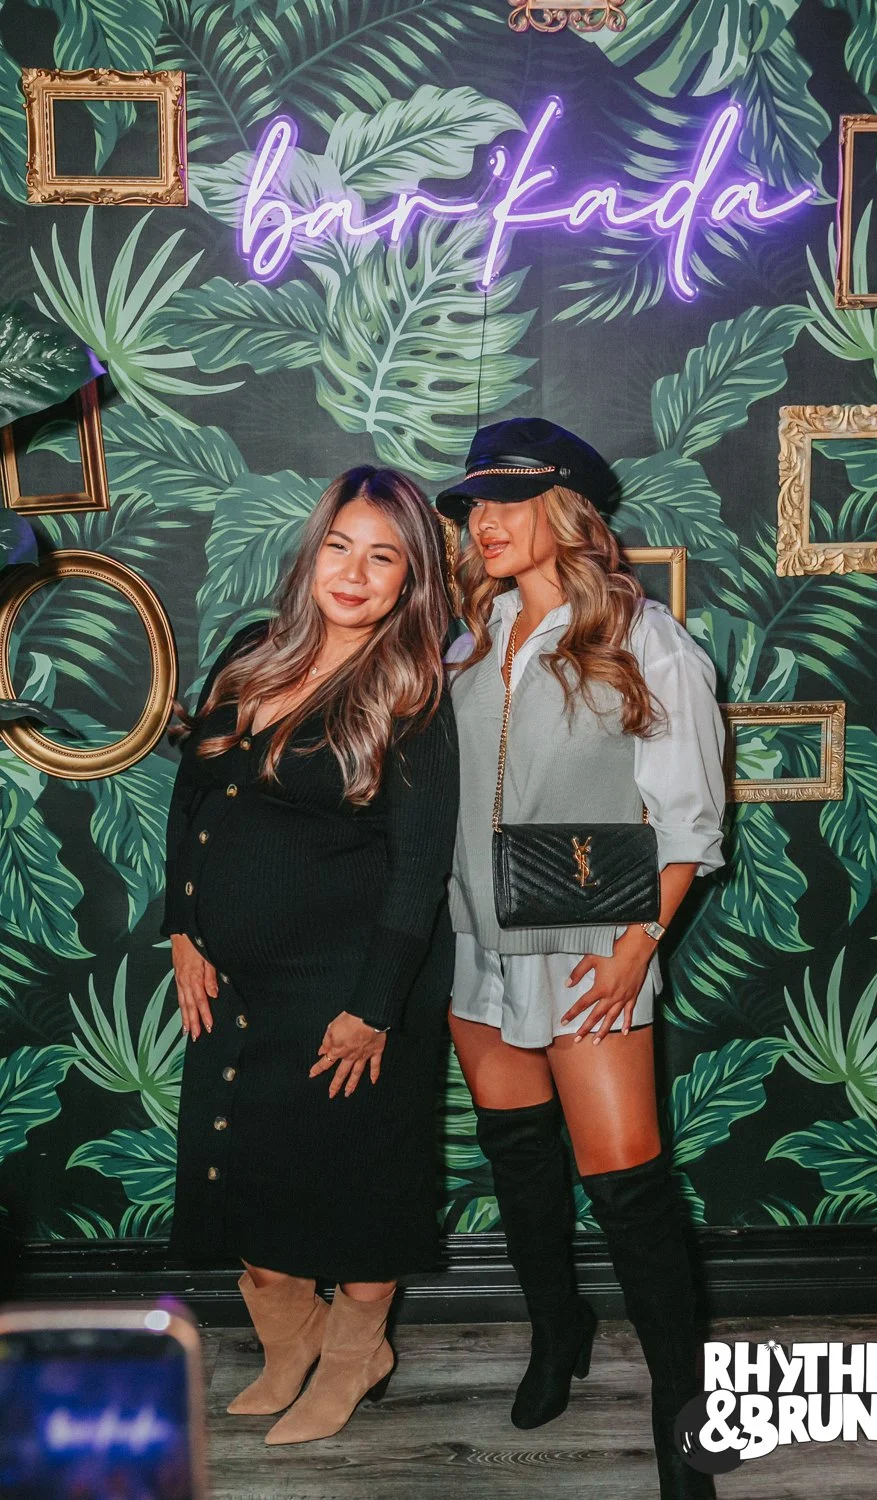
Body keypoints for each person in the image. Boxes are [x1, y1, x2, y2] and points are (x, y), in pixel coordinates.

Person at [437, 418, 725, 1500]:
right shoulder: (469, 636)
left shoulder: (646, 638)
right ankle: (557, 1331)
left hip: (589, 941)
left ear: (566, 512)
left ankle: (685, 1415)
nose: (485, 521)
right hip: (475, 940)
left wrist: (638, 945)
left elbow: (690, 819)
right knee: (518, 1162)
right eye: (475, 503)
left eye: (508, 501)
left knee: (628, 1188)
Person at [162, 466, 459, 1447]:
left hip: (353, 985)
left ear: (411, 580)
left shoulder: (412, 691)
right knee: (244, 1178)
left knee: (358, 1187)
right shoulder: (253, 651)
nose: (354, 573)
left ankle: (352, 1356)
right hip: (237, 983)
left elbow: (419, 869)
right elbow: (194, 798)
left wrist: (374, 1008)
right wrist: (183, 927)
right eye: (340, 546)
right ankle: (291, 1347)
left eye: (384, 558)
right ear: (313, 550)